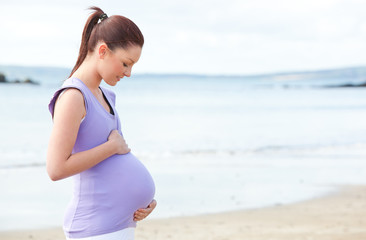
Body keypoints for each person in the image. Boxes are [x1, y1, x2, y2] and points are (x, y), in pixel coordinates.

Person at [47, 6, 156, 240]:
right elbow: (56, 169)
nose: (128, 73)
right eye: (126, 63)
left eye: (133, 66)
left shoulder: (106, 95)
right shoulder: (73, 97)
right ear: (103, 51)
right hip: (94, 229)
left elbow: (114, 164)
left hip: (119, 225)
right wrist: (111, 147)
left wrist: (144, 200)